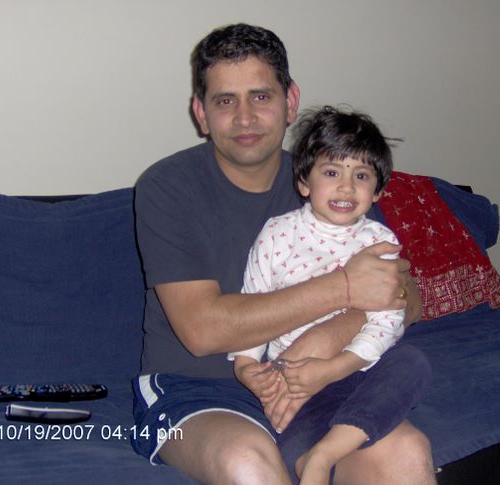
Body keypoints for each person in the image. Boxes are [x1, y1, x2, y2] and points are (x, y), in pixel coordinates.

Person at [132, 22, 435, 485]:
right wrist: (345, 288)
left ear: (291, 101)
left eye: (261, 96)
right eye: (225, 101)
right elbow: (203, 331)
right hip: (196, 390)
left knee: (406, 453)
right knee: (248, 463)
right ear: (201, 113)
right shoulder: (168, 188)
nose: (245, 117)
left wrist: (325, 341)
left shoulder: (331, 179)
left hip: (317, 383)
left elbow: (407, 298)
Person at [229, 105, 426, 484]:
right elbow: (252, 305)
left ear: (378, 191)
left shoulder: (379, 242)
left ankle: (323, 455)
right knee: (290, 434)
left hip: (360, 371)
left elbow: (387, 321)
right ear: (304, 181)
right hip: (300, 383)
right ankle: (315, 450)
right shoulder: (278, 234)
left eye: (361, 176)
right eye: (332, 172)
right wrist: (245, 367)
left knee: (412, 363)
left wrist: (337, 368)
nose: (346, 187)